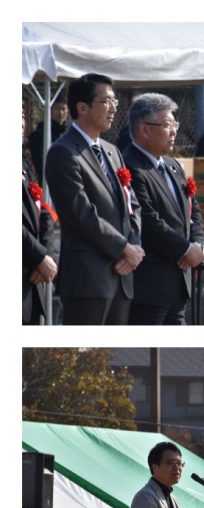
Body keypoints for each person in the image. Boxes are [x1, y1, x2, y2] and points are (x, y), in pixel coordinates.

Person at [44, 73, 144, 325]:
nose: (113, 109)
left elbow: (132, 205)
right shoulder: (63, 152)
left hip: (122, 276)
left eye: (115, 102)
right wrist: (123, 248)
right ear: (82, 107)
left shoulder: (112, 152)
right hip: (88, 278)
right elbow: (80, 213)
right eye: (106, 101)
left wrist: (133, 248)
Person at [123, 93, 204, 325]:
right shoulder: (131, 165)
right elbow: (146, 218)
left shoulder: (173, 166)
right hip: (150, 285)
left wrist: (196, 245)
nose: (174, 131)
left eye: (174, 124)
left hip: (179, 283)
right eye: (167, 125)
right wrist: (183, 250)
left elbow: (193, 211)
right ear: (144, 129)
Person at [23, 110, 57, 324]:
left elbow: (42, 210)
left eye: (22, 117)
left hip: (32, 276)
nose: (20, 123)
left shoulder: (24, 161)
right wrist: (38, 257)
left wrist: (46, 254)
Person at [29, 95, 69, 184]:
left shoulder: (67, 134)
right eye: (57, 108)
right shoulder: (40, 134)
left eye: (63, 109)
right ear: (50, 110)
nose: (61, 112)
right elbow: (40, 163)